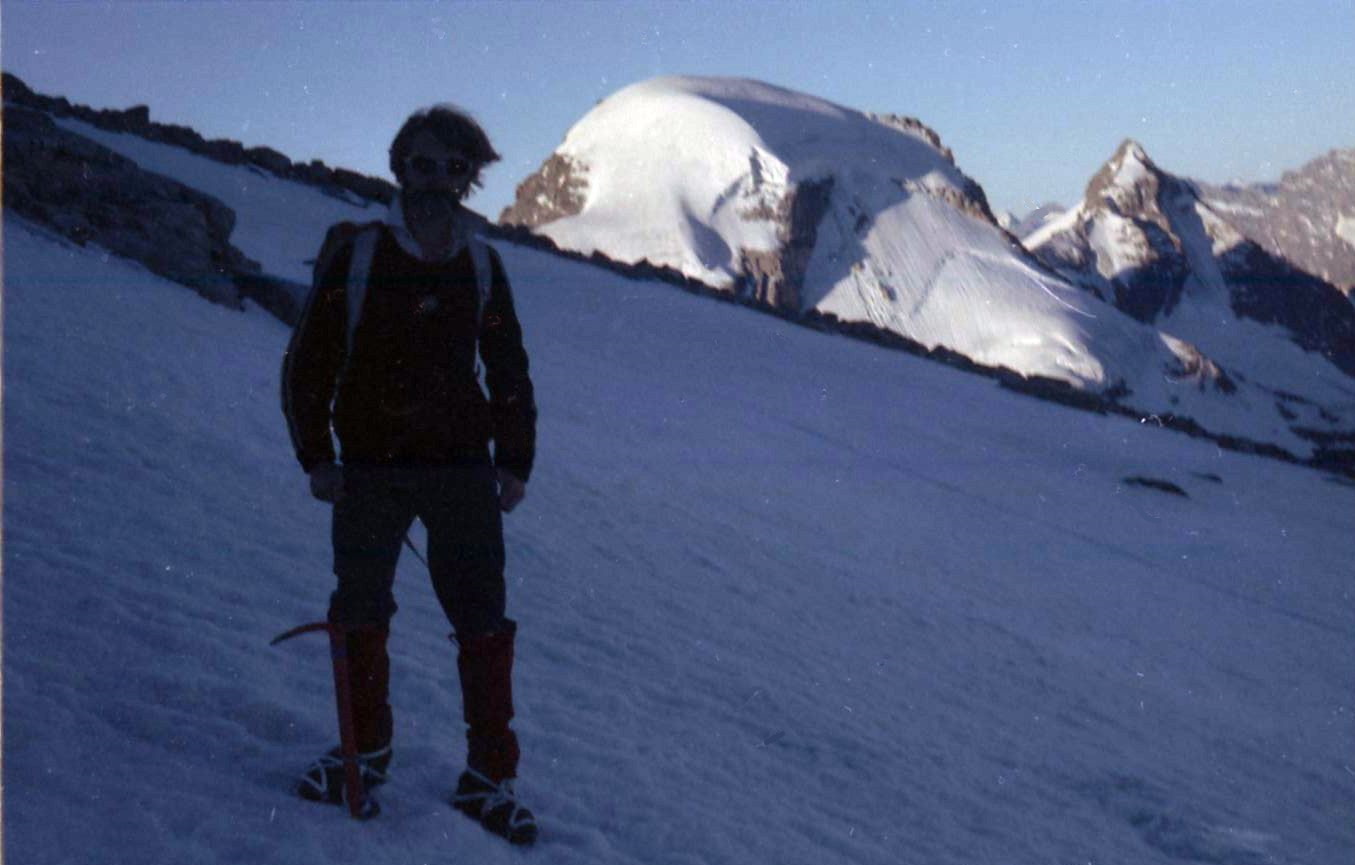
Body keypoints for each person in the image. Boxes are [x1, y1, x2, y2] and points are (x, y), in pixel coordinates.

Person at [281, 104, 538, 846]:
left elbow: (508, 367)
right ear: (400, 167)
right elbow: (309, 360)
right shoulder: (360, 252)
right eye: (424, 165)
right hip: (368, 469)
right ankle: (365, 755)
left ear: (469, 177)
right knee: (362, 609)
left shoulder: (481, 262)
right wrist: (316, 456)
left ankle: (488, 777)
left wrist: (514, 460)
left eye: (453, 168)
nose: (437, 179)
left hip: (461, 469)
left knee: (481, 621)